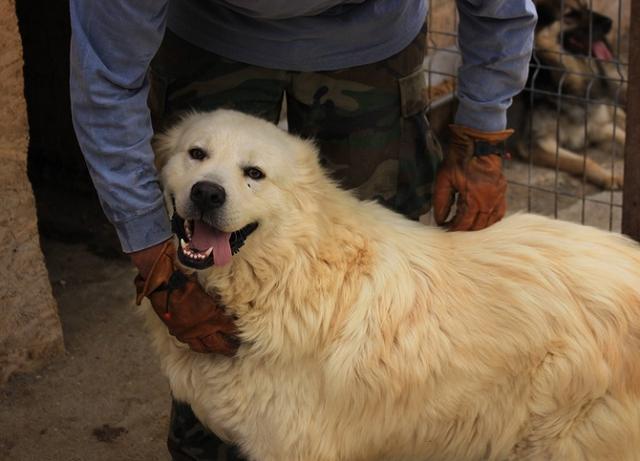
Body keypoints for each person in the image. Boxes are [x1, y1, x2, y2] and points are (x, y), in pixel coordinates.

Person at [69, 1, 537, 459]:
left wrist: (482, 139)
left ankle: (384, 433)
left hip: (371, 41)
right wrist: (152, 255)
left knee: (380, 296)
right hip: (211, 33)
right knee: (205, 301)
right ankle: (210, 443)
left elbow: (502, 7)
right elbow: (105, 81)